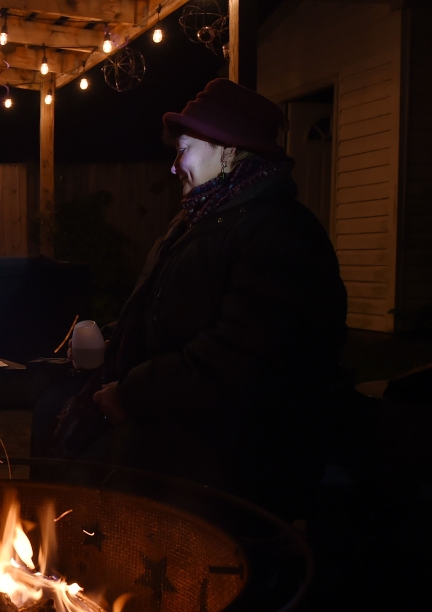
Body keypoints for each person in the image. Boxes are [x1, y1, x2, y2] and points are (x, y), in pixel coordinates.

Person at [33, 79, 348, 519]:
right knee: (52, 408)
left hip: (231, 450)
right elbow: (161, 311)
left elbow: (241, 361)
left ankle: (100, 561)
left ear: (228, 148)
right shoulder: (197, 223)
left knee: (83, 466)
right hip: (172, 413)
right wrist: (111, 339)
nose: (173, 166)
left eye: (183, 150)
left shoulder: (279, 235)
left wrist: (132, 393)